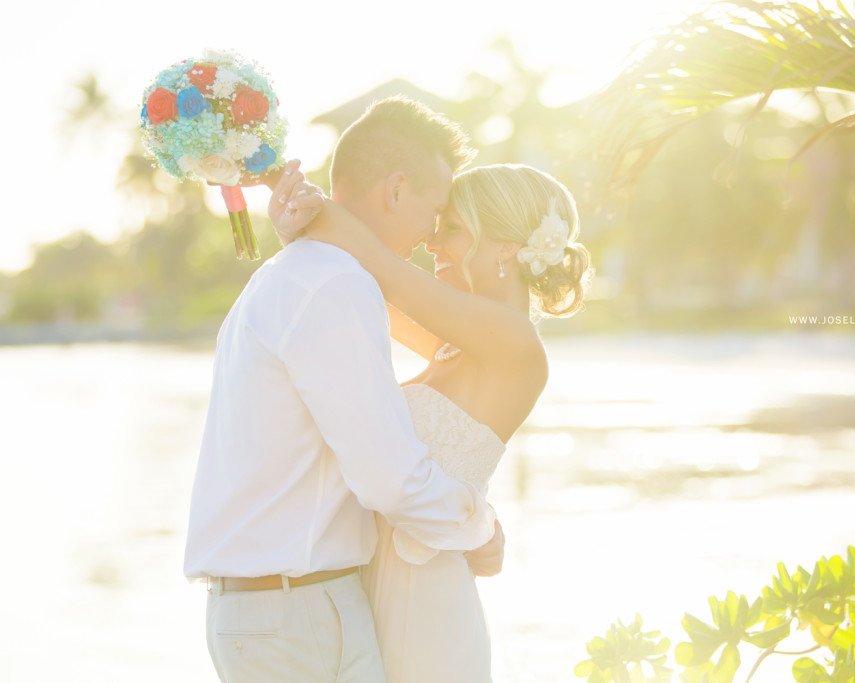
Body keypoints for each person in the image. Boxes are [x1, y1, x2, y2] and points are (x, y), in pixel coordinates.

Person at [183, 97, 505, 683]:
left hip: (276, 608)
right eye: (434, 212)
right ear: (397, 190)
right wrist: (480, 528)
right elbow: (390, 477)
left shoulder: (289, 275)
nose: (430, 235)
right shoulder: (335, 285)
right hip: (297, 613)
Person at [271, 160, 591, 682]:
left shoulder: (515, 343)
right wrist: (295, 234)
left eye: (454, 230)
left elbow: (383, 268)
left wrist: (290, 191)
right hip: (370, 582)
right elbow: (355, 287)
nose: (432, 244)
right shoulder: (453, 344)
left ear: (506, 246)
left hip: (425, 600)